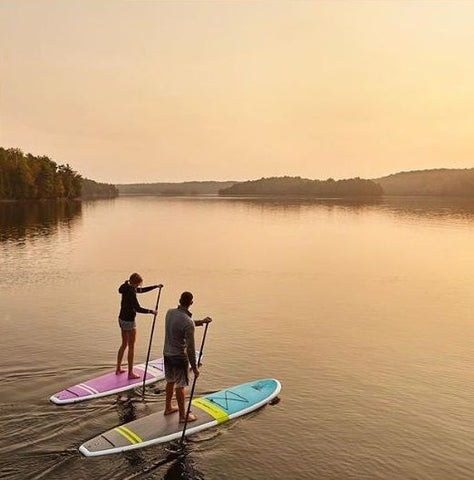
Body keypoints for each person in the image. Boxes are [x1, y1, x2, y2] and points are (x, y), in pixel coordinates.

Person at [163, 291, 212, 423]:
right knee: (181, 385)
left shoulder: (169, 312)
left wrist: (201, 322)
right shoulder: (188, 322)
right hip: (179, 357)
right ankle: (183, 416)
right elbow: (190, 348)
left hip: (167, 354)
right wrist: (195, 368)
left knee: (170, 381)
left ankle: (168, 408)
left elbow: (184, 323)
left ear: (179, 300)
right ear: (191, 303)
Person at [116, 273, 162, 379]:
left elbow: (141, 291)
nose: (139, 287)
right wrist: (151, 311)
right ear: (135, 283)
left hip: (121, 318)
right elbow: (137, 308)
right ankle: (130, 373)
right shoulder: (131, 291)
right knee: (131, 346)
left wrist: (155, 286)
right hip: (129, 321)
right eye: (138, 285)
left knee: (124, 344)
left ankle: (118, 368)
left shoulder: (126, 287)